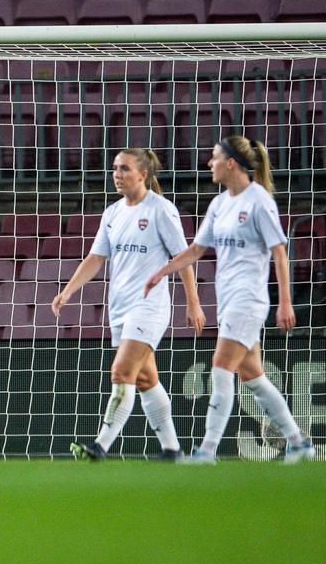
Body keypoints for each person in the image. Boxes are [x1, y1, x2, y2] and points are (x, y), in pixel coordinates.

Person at [144, 136, 316, 464]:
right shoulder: (220, 204)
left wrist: (285, 301)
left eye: (214, 157)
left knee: (220, 368)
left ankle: (207, 451)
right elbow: (196, 250)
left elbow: (279, 252)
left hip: (248, 299)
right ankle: (299, 442)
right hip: (228, 300)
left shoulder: (258, 201)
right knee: (252, 375)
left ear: (231, 163)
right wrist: (160, 272)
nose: (209, 163)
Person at [52, 149, 204, 461]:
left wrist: (193, 302)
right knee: (146, 379)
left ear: (142, 174)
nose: (117, 174)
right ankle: (173, 450)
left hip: (149, 307)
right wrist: (67, 291)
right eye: (114, 169)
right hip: (119, 307)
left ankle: (100, 445)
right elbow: (96, 258)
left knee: (122, 371)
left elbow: (183, 258)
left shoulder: (161, 210)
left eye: (124, 169)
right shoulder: (113, 213)